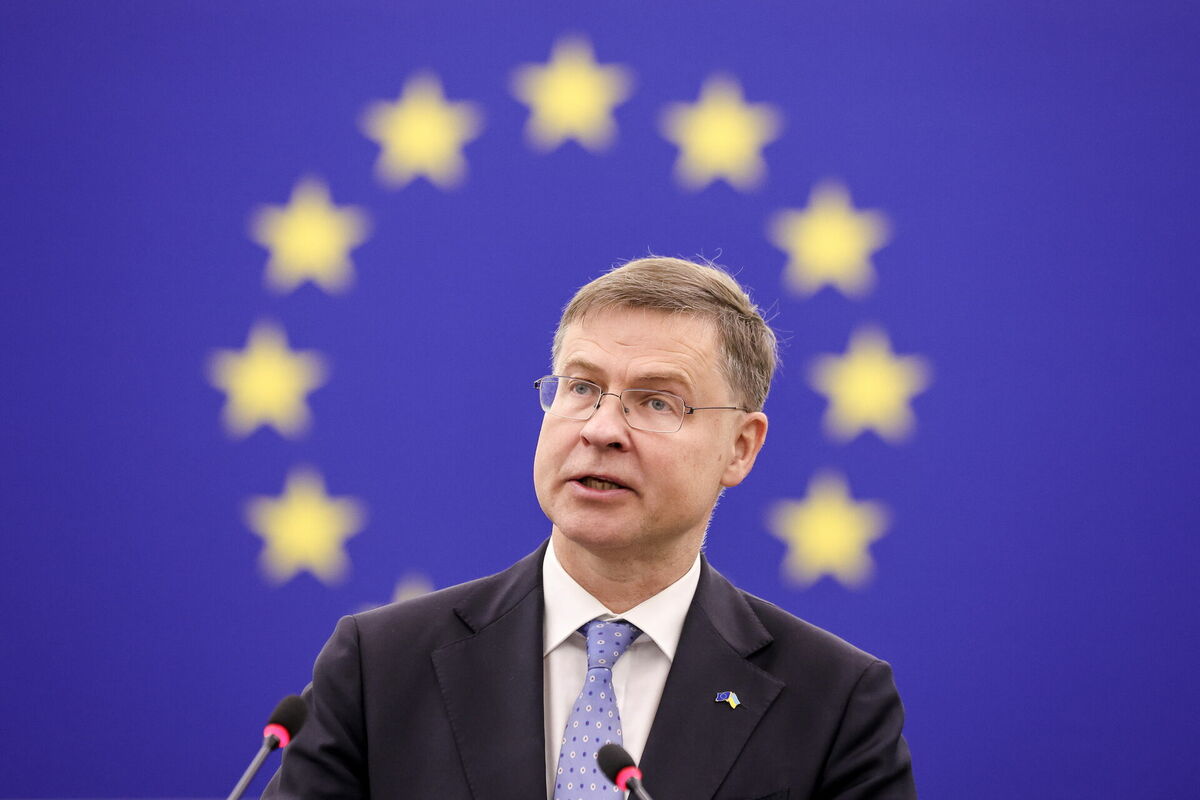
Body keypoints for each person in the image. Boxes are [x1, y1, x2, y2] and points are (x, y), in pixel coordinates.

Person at [264, 256, 917, 800]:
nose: (601, 429)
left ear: (740, 448)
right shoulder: (381, 669)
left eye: (657, 401)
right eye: (580, 388)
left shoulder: (833, 704)